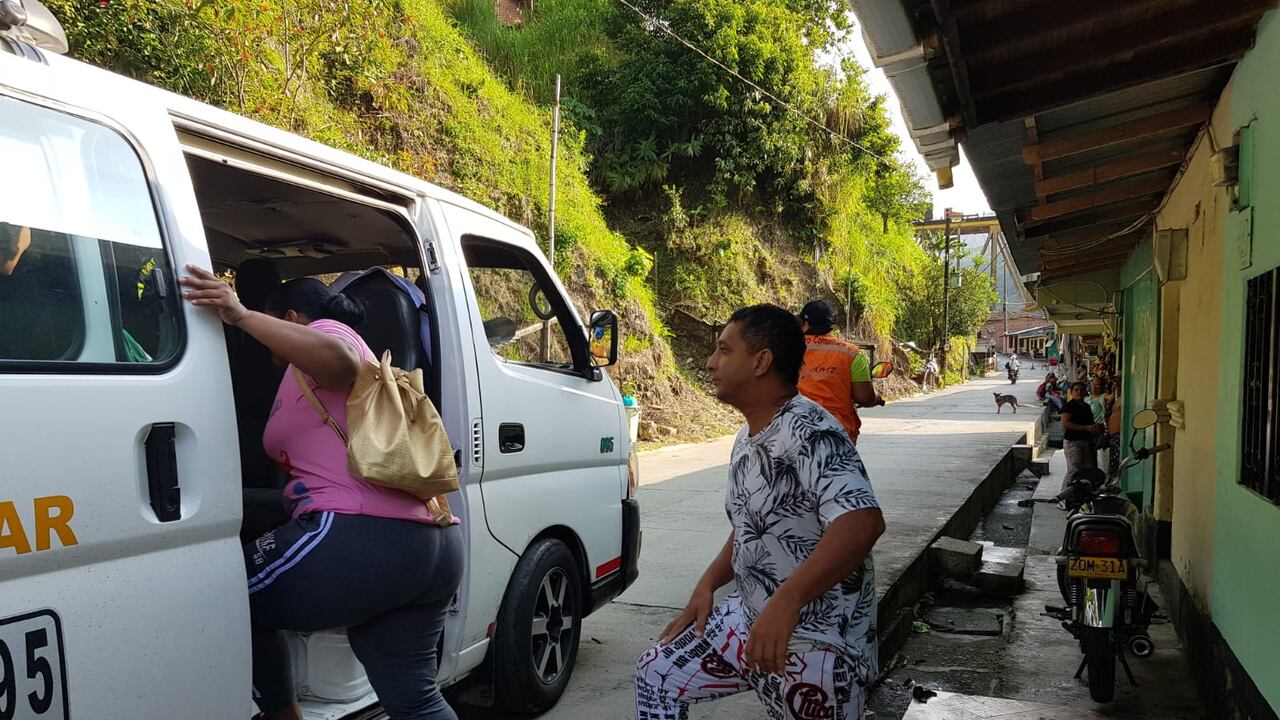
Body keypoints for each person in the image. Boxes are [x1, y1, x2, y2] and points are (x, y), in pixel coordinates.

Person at [179, 265, 464, 720]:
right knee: (416, 700)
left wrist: (241, 315)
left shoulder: (330, 333)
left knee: (228, 597)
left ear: (291, 318)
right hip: (431, 542)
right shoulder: (302, 377)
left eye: (272, 320)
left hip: (363, 537)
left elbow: (339, 359)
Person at [634, 304, 885, 720]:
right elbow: (752, 525)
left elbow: (862, 523)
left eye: (724, 350)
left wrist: (787, 601)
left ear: (761, 362)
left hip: (815, 644)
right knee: (657, 673)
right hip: (749, 620)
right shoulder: (748, 436)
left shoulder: (811, 431)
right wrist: (708, 584)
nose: (710, 363)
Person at [795, 299, 880, 445]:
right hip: (838, 433)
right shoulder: (850, 353)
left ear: (805, 324)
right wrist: (877, 398)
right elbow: (864, 398)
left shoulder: (786, 348)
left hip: (794, 430)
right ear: (830, 325)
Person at [1060, 381, 1103, 493]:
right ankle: (1064, 495)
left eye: (1081, 390)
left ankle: (1084, 494)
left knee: (1089, 470)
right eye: (1076, 390)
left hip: (1087, 442)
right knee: (1074, 471)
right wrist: (1086, 428)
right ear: (1071, 392)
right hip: (1073, 443)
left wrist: (1096, 428)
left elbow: (1090, 422)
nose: (1079, 392)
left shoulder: (1086, 407)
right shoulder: (1068, 406)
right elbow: (1065, 423)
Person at [1106, 378, 1123, 480]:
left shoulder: (1124, 397)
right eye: (1113, 383)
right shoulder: (1118, 397)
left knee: (1116, 466)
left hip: (1119, 436)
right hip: (1114, 437)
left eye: (1117, 383)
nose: (1114, 386)